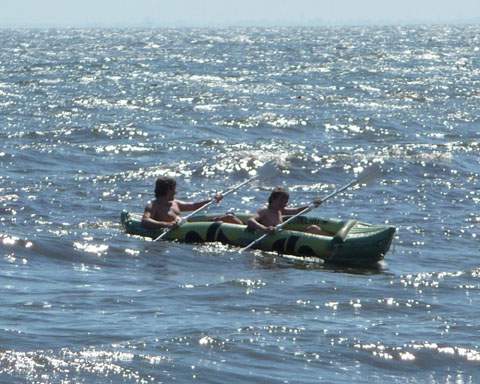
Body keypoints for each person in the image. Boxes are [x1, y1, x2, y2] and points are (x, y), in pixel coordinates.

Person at [142, 176, 241, 229]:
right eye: (174, 189)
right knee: (226, 220)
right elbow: (145, 220)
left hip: (188, 225)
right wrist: (167, 225)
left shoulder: (175, 203)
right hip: (181, 229)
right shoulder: (153, 205)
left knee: (230, 217)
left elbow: (194, 206)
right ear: (168, 190)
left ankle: (249, 231)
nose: (176, 192)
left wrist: (213, 200)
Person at [247, 187, 329, 235]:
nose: (284, 203)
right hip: (270, 236)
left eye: (285, 201)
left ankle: (334, 240)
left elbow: (297, 211)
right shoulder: (265, 211)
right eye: (281, 200)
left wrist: (312, 205)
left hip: (282, 234)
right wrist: (265, 228)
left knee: (313, 228)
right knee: (313, 229)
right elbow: (250, 220)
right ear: (273, 199)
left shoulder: (281, 210)